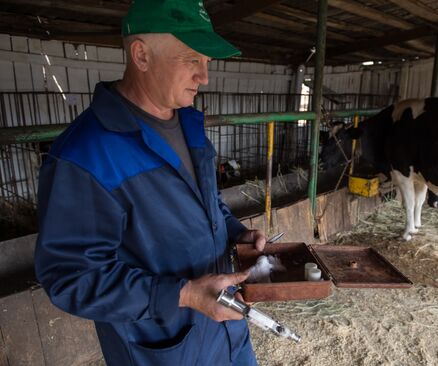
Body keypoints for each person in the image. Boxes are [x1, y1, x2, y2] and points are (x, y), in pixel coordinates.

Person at [34, 0, 266, 365]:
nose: (203, 76)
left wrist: (235, 231)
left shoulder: (190, 124)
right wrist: (184, 295)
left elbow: (207, 200)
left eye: (207, 61)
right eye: (192, 59)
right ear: (141, 55)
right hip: (163, 348)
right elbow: (70, 277)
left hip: (228, 335)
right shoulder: (85, 154)